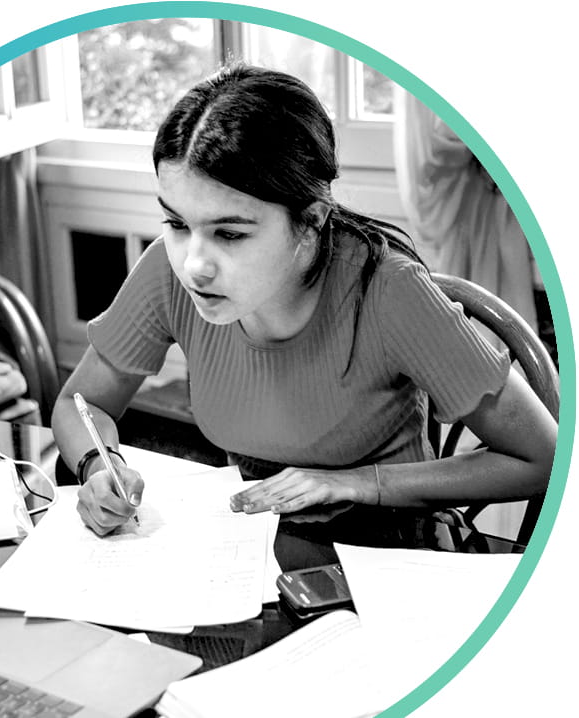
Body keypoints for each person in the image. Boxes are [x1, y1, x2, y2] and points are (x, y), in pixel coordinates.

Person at [51, 63, 557, 542]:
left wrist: (359, 482)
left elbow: (544, 458)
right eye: (178, 224)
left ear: (312, 219)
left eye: (229, 233)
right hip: (259, 543)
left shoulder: (390, 291)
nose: (194, 265)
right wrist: (100, 464)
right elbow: (83, 405)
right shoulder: (167, 269)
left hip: (391, 548)